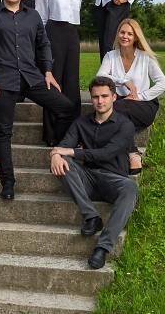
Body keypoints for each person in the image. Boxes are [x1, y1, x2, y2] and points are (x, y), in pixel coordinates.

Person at [0, 0, 74, 200]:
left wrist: (47, 71)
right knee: (3, 132)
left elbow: (44, 44)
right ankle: (8, 183)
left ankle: (59, 151)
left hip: (31, 77)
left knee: (66, 107)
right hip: (1, 80)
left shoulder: (33, 16)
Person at [50, 76, 138, 270]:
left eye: (104, 96)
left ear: (114, 97)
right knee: (63, 162)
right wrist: (56, 155)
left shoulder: (125, 125)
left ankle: (102, 248)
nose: (100, 101)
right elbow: (63, 146)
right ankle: (92, 217)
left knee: (131, 187)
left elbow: (107, 153)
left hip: (114, 181)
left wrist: (71, 152)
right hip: (88, 178)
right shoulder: (81, 123)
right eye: (96, 97)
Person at [96, 19, 165, 174]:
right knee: (113, 112)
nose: (125, 36)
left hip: (144, 105)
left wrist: (140, 96)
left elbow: (163, 83)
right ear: (117, 34)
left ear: (136, 37)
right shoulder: (110, 56)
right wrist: (124, 81)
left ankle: (132, 153)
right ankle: (128, 156)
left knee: (111, 111)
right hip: (121, 104)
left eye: (130, 34)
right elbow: (100, 76)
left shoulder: (145, 57)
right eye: (122, 32)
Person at [36, 0, 83, 145]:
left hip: (72, 34)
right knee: (54, 82)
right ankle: (52, 134)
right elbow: (41, 18)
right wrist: (42, 43)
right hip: (53, 33)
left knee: (72, 82)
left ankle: (73, 133)